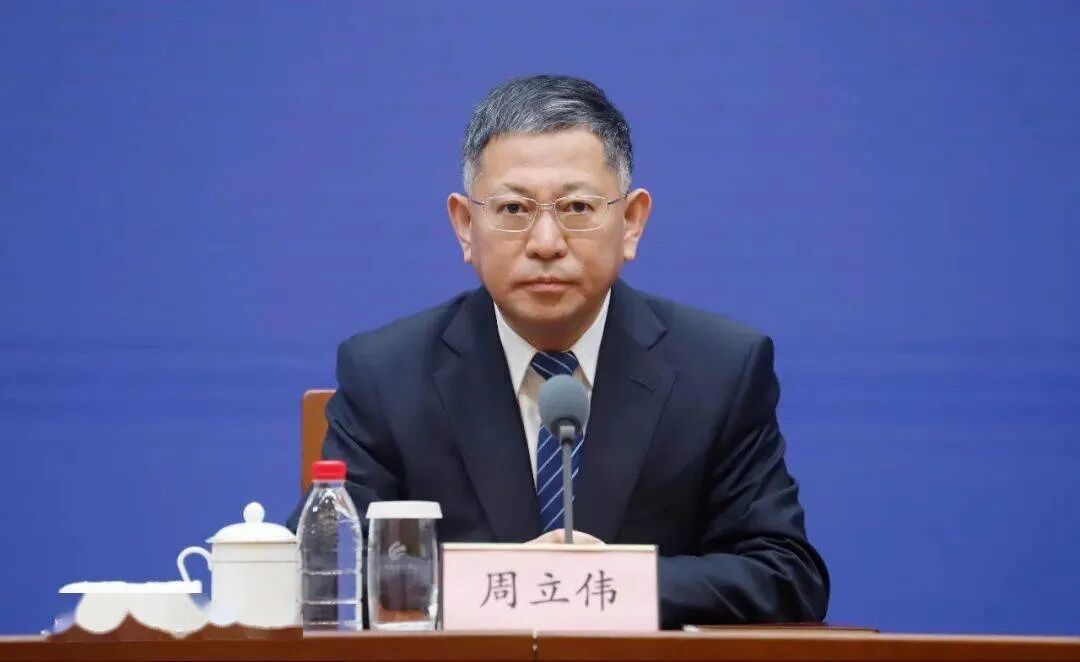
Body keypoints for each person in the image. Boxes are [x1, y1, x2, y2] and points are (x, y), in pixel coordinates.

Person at [288, 75, 829, 627]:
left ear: (631, 222)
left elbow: (786, 577)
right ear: (465, 226)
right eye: (513, 209)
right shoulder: (386, 374)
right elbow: (321, 573)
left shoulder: (719, 371)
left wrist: (610, 584)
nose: (546, 243)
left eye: (576, 207)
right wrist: (511, 584)